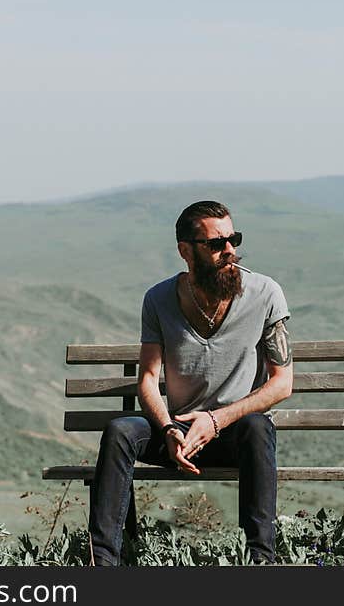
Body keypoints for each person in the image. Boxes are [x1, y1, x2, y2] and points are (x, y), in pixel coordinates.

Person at [88, 200, 294, 565]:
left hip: (234, 433)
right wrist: (168, 428)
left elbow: (282, 384)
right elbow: (149, 378)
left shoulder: (265, 293)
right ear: (186, 251)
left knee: (258, 427)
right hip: (178, 435)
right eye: (216, 244)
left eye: (234, 239)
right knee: (120, 430)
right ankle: (102, 562)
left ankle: (262, 560)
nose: (229, 251)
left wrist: (215, 421)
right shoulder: (158, 299)